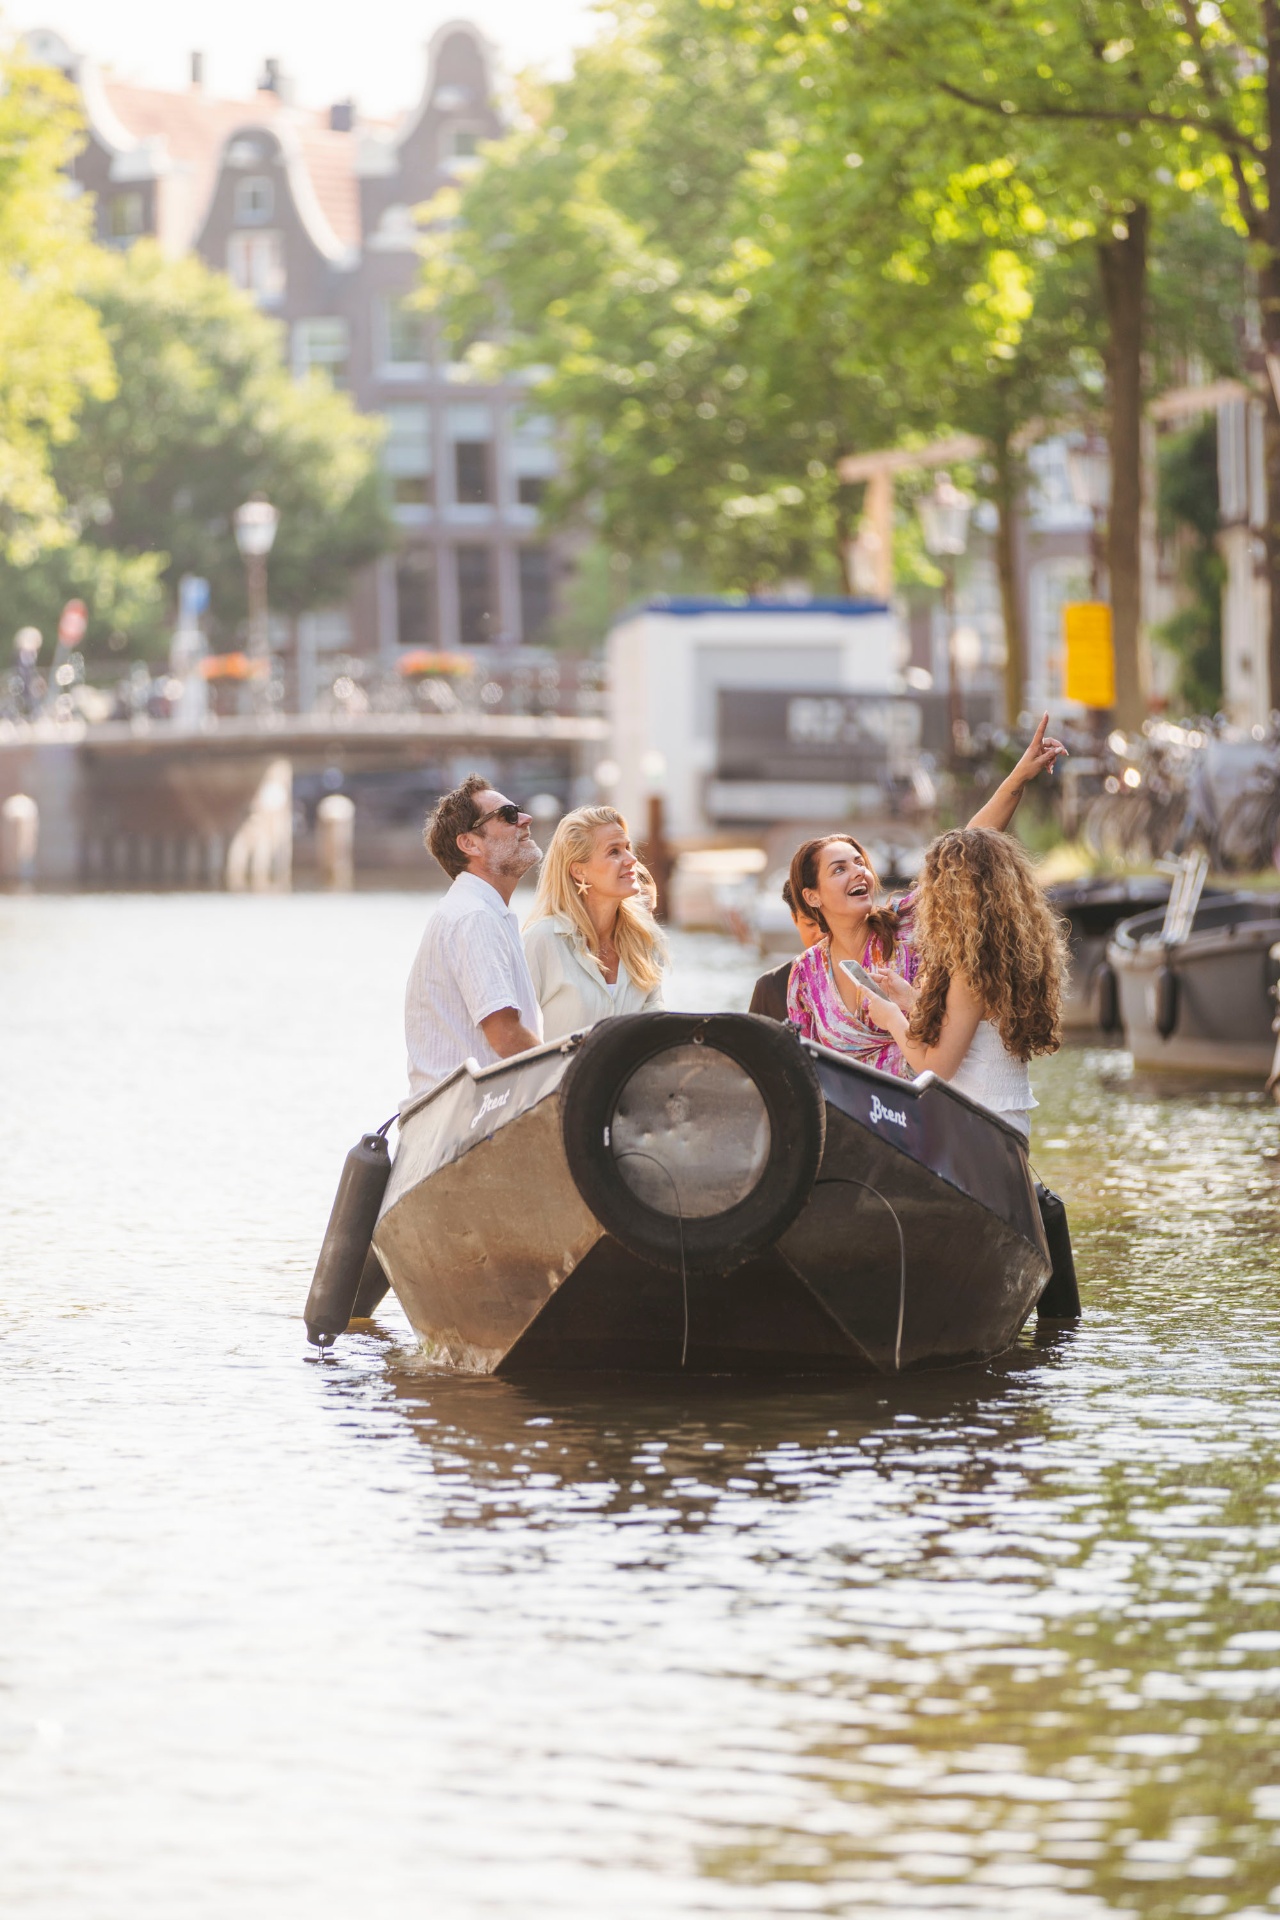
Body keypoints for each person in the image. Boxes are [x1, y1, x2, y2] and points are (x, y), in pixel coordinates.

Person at [785, 713, 1067, 1074]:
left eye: (860, 863)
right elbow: (803, 1067)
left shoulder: (908, 922)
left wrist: (1018, 777)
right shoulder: (805, 975)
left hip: (923, 1108)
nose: (858, 872)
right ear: (812, 897)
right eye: (839, 869)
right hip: (851, 1117)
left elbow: (967, 849)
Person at [858, 828, 1066, 1138]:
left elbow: (937, 1068)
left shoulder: (969, 973)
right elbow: (969, 1028)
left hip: (979, 1129)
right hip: (1004, 1125)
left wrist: (890, 1017)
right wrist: (910, 999)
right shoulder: (999, 956)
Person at [404, 773, 544, 1098]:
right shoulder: (474, 917)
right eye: (508, 816)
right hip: (464, 1124)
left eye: (518, 810)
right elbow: (506, 1036)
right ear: (470, 843)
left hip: (460, 1122)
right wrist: (573, 1078)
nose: (526, 819)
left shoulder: (481, 911)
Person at [523, 805, 666, 1040]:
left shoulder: (647, 940)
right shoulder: (541, 941)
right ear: (579, 871)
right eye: (614, 852)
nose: (631, 860)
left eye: (628, 848)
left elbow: (658, 1033)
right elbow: (515, 1043)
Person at [749, 878, 823, 1021]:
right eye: (810, 923)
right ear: (795, 919)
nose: (821, 933)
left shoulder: (872, 975)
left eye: (828, 921)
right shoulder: (771, 987)